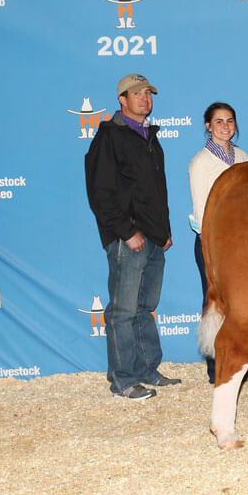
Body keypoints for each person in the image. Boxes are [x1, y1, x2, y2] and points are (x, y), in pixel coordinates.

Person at [84, 73, 179, 401]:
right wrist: (126, 231)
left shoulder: (149, 137)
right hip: (129, 239)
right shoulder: (110, 136)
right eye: (136, 93)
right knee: (123, 310)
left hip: (153, 237)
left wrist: (164, 229)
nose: (144, 98)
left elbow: (157, 190)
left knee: (144, 307)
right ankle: (123, 380)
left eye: (147, 93)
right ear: (121, 100)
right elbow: (100, 192)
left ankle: (147, 369)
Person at [188, 102, 248, 384]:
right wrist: (215, 245)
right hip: (213, 244)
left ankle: (242, 363)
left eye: (230, 121)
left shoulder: (242, 156)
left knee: (243, 305)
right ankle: (216, 370)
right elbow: (202, 211)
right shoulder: (200, 162)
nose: (225, 126)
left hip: (245, 244)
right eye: (219, 121)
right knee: (216, 303)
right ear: (208, 126)